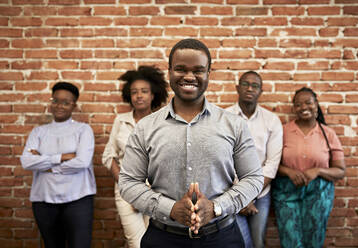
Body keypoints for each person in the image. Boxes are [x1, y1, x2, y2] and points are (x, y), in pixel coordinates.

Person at [118, 38, 263, 248]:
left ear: (208, 74)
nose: (188, 76)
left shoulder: (234, 125)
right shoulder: (145, 127)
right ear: (169, 72)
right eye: (180, 69)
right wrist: (170, 208)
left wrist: (216, 207)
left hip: (222, 237)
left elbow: (253, 178)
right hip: (163, 238)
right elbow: (128, 182)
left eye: (198, 70)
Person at [20, 82, 96, 248]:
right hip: (44, 199)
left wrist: (45, 163)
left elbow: (82, 162)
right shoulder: (38, 132)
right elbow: (26, 161)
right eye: (55, 101)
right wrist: (61, 157)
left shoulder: (83, 130)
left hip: (78, 198)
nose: (59, 106)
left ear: (74, 105)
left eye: (66, 102)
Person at [102, 66, 168, 248]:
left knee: (155, 241)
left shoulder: (162, 122)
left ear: (153, 94)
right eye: (134, 92)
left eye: (144, 91)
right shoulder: (120, 120)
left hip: (156, 192)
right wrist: (128, 186)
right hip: (125, 192)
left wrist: (145, 193)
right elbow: (109, 156)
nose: (139, 96)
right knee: (136, 243)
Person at [272, 87, 346, 248]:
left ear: (316, 104)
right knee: (289, 238)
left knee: (314, 238)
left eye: (308, 103)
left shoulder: (328, 133)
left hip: (319, 194)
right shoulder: (283, 131)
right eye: (298, 104)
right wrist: (289, 171)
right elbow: (271, 163)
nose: (303, 107)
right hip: (286, 192)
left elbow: (340, 170)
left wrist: (318, 170)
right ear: (294, 108)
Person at [226, 71, 283, 248]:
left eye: (255, 85)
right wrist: (241, 196)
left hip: (261, 194)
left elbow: (272, 165)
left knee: (258, 242)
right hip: (232, 193)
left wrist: (250, 195)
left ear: (261, 91)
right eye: (245, 84)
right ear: (237, 88)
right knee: (240, 242)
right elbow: (222, 161)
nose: (250, 88)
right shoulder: (224, 117)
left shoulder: (271, 120)